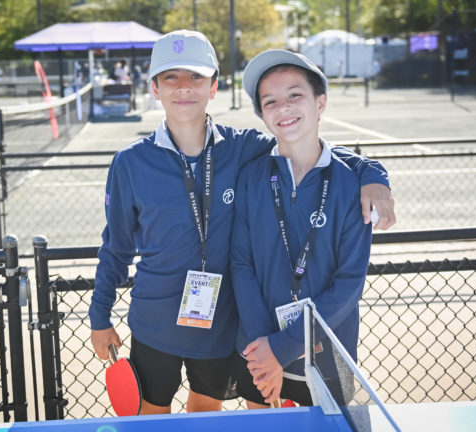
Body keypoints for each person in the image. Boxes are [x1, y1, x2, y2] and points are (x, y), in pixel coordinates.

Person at [89, 30, 394, 416]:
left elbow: (306, 141)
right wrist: (99, 315)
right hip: (154, 324)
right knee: (152, 418)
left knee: (205, 414)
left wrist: (372, 173)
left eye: (196, 77)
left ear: (214, 86)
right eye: (171, 77)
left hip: (220, 324)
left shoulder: (242, 146)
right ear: (154, 87)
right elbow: (115, 248)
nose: (184, 88)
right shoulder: (130, 162)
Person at [231, 49, 375, 408]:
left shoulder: (351, 184)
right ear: (263, 114)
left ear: (320, 103)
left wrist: (282, 348)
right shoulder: (251, 178)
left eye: (295, 95)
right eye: (270, 102)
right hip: (257, 347)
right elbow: (242, 266)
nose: (284, 108)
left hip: (329, 350)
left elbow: (349, 283)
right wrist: (265, 349)